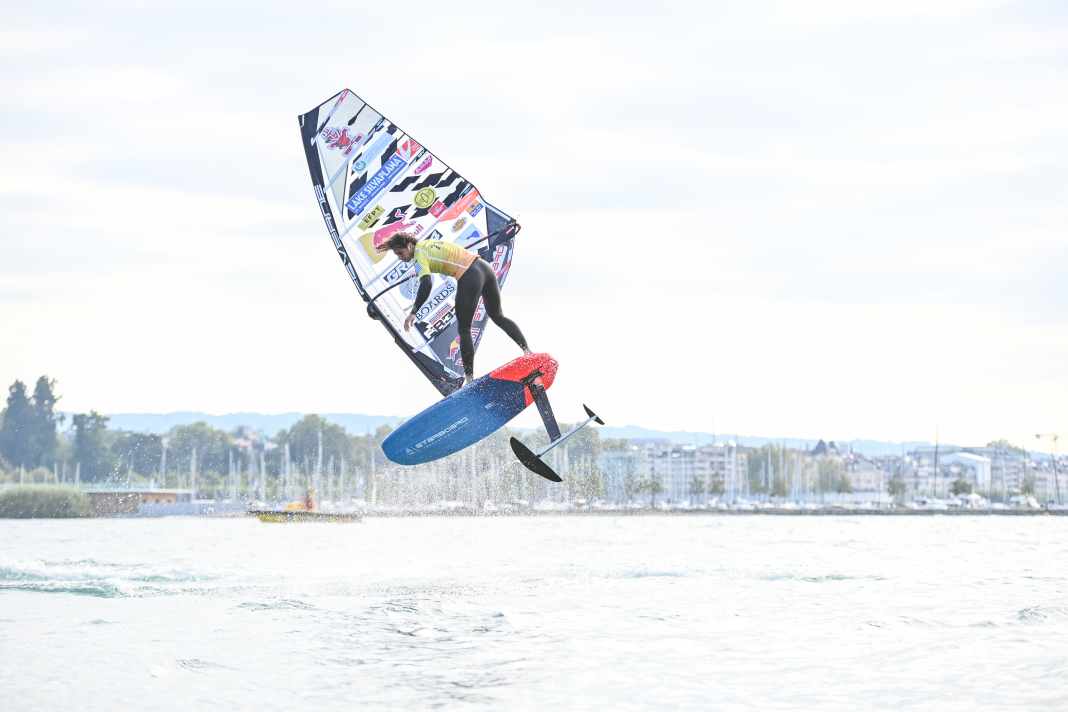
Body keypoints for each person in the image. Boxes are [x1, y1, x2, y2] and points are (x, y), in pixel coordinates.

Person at [378, 232, 529, 385]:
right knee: (498, 316)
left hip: (470, 275)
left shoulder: (418, 255)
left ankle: (470, 380)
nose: (400, 258)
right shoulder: (427, 244)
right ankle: (527, 352)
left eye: (400, 253)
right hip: (484, 268)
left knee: (464, 329)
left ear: (410, 246)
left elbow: (426, 283)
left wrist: (413, 312)